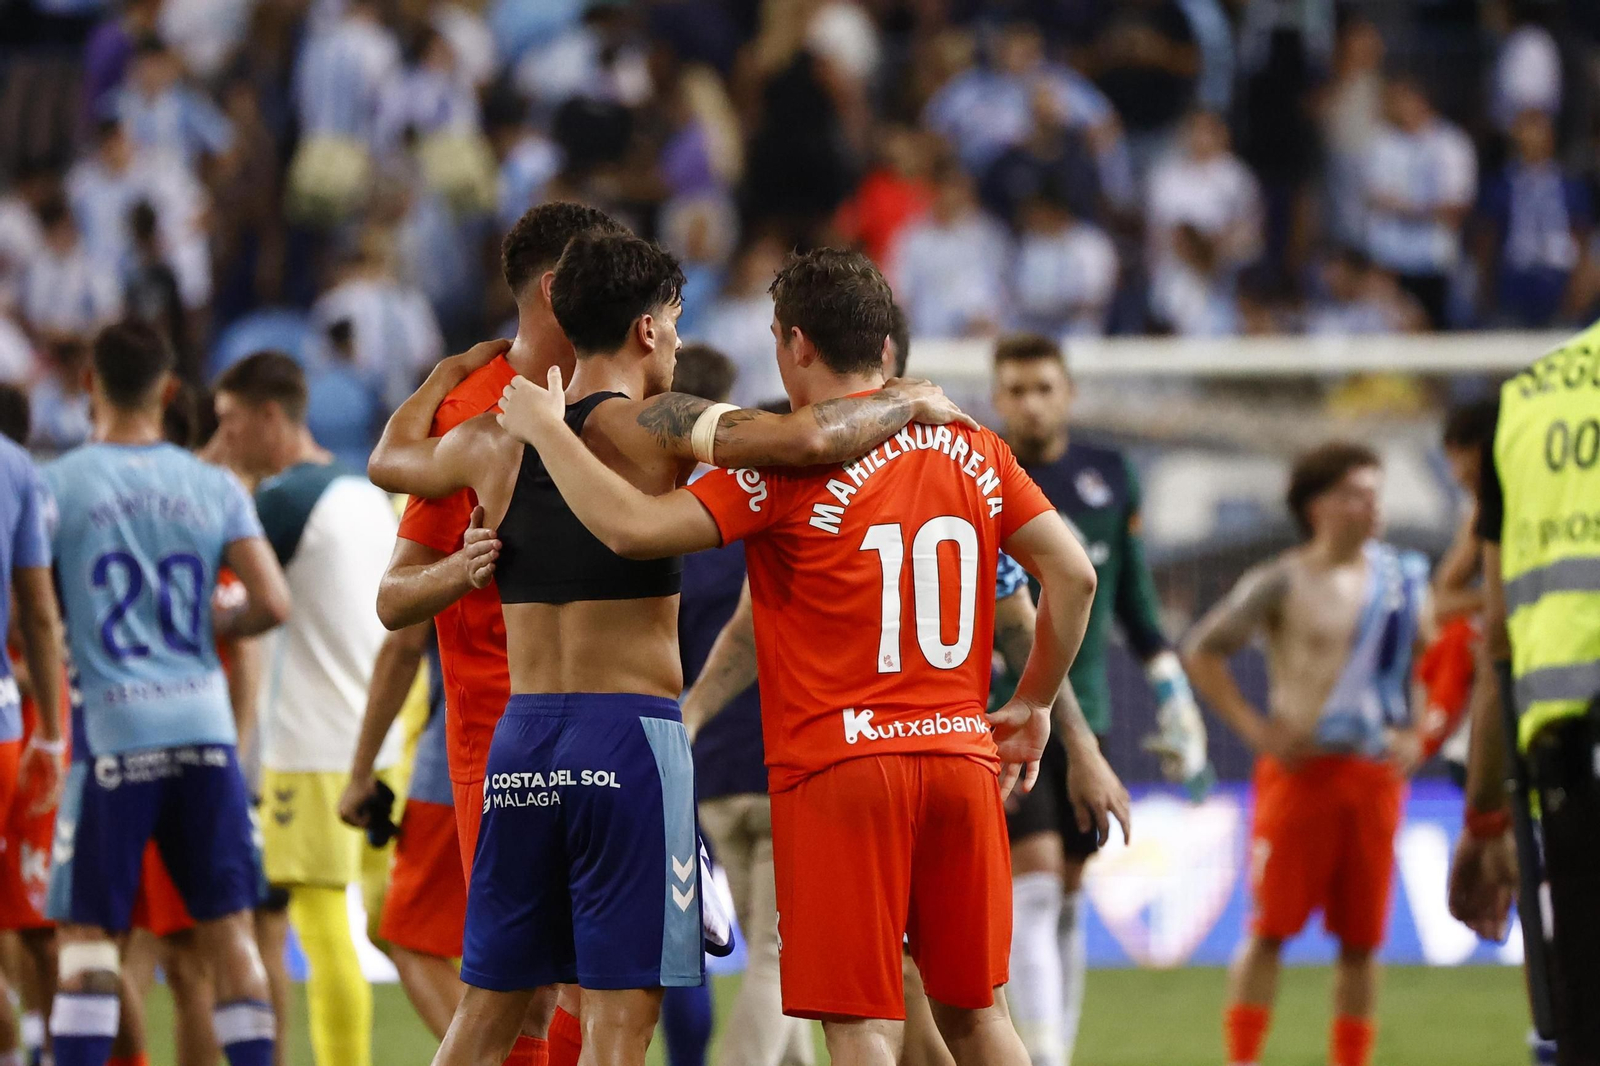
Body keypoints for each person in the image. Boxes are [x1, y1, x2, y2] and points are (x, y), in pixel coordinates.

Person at [491, 246, 1101, 1066]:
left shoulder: (780, 469)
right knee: (980, 1017)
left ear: (795, 346)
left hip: (838, 768)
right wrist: (1031, 705)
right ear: (885, 347)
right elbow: (1075, 574)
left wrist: (545, 431)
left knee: (857, 1026)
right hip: (960, 760)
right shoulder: (975, 450)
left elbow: (633, 530)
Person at [368, 234, 968, 1066]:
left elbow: (389, 461)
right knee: (619, 1024)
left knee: (484, 1016)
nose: (681, 344)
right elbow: (805, 441)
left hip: (522, 740)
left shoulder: (490, 438)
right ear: (648, 330)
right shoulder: (660, 423)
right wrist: (911, 401)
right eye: (677, 326)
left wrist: (446, 373)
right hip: (631, 743)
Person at [365, 200, 634, 1066]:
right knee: (524, 996)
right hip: (504, 742)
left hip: (618, 732)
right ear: (557, 291)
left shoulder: (624, 396)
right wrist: (462, 568)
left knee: (617, 991)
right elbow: (396, 598)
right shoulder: (475, 415)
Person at [41, 321, 290, 1066]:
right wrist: (217, 619)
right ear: (172, 391)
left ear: (89, 383)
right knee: (230, 937)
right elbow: (272, 605)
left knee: (89, 940)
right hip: (205, 733)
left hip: (114, 738)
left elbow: (29, 598)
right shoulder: (212, 484)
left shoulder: (60, 485)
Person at [988, 334, 1209, 1066]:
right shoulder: (979, 473)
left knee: (1071, 893)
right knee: (1039, 885)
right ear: (998, 397)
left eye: (1044, 387)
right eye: (1016, 390)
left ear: (1069, 394)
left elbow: (1136, 606)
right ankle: (1045, 1058)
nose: (1031, 402)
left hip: (1089, 716)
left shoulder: (1110, 477)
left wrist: (1175, 695)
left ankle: (1057, 1049)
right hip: (1004, 713)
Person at [1183, 442, 1430, 1066]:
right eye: (1356, 493)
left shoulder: (1401, 581)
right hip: (1300, 776)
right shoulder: (1281, 580)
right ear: (1317, 506)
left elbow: (1432, 658)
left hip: (1374, 776)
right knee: (1269, 930)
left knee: (1362, 941)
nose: (1372, 506)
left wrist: (1421, 730)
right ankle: (1243, 1058)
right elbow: (1204, 648)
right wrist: (1254, 728)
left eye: (1375, 493)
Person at [211, 351, 404, 1066]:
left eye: (230, 421)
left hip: (310, 750)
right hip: (379, 744)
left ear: (270, 417)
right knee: (392, 932)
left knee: (326, 941)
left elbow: (209, 558)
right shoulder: (362, 492)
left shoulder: (284, 499)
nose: (223, 437)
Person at [1449, 321, 1600, 1066]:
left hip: (1568, 759)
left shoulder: (1529, 400)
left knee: (1581, 1017)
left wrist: (1482, 819)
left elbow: (1500, 633)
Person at [340, 623, 465, 1042]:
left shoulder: (449, 553)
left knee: (411, 936)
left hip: (467, 755)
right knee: (551, 963)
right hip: (588, 756)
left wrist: (360, 773)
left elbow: (404, 643)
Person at [0, 384, 66, 1066]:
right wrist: (48, 724)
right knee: (41, 919)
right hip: (18, 721)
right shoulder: (25, 475)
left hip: (25, 705)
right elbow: (43, 615)